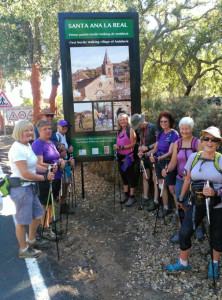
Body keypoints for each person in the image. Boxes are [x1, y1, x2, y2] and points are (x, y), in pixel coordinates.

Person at [166, 126, 222, 280]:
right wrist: (181, 197)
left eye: (214, 139)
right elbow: (188, 179)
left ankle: (214, 264)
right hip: (196, 202)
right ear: (202, 140)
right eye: (206, 138)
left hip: (217, 205)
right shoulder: (194, 157)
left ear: (218, 143)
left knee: (217, 235)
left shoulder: (221, 160)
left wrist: (216, 192)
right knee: (184, 232)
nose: (209, 142)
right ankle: (183, 262)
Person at [8, 120, 55, 258]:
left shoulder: (27, 145)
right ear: (18, 132)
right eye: (26, 130)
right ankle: (23, 250)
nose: (29, 132)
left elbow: (33, 166)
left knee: (37, 213)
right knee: (23, 221)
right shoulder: (17, 149)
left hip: (30, 187)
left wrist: (49, 168)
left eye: (30, 129)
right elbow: (25, 173)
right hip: (21, 188)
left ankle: (32, 240)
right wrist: (44, 178)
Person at [162, 117, 203, 243]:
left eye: (187, 128)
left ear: (192, 129)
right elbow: (174, 161)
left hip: (195, 180)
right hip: (180, 179)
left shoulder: (198, 142)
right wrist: (167, 170)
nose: (184, 131)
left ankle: (198, 227)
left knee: (196, 204)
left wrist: (192, 174)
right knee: (181, 205)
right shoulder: (177, 143)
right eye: (182, 129)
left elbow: (202, 161)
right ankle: (183, 230)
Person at [32, 119, 66, 241]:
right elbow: (39, 163)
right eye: (44, 129)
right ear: (39, 130)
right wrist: (56, 164)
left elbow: (56, 158)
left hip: (55, 177)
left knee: (51, 203)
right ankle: (45, 229)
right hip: (44, 178)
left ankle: (50, 226)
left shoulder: (51, 142)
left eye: (49, 128)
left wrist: (62, 161)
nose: (48, 131)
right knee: (45, 204)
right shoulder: (37, 144)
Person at [149, 111, 179, 216]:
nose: (163, 123)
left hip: (168, 163)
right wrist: (145, 154)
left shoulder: (174, 134)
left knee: (171, 188)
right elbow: (155, 148)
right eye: (161, 121)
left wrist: (158, 158)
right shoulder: (160, 133)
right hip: (158, 162)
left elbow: (171, 152)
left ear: (170, 122)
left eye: (166, 121)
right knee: (162, 185)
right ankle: (166, 207)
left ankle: (178, 211)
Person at [130, 113, 159, 208]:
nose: (138, 127)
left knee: (155, 178)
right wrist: (140, 149)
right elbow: (140, 142)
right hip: (144, 157)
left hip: (154, 156)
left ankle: (155, 201)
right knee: (145, 177)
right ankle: (145, 197)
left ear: (142, 121)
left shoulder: (153, 127)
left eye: (139, 125)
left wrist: (148, 147)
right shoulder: (140, 130)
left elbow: (159, 142)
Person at [113, 113, 137, 207]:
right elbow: (117, 143)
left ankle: (132, 196)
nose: (122, 121)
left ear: (127, 120)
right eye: (120, 120)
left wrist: (120, 147)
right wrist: (116, 147)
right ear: (119, 122)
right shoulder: (119, 132)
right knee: (124, 176)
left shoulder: (130, 130)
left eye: (124, 119)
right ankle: (126, 194)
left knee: (130, 176)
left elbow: (133, 144)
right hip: (120, 157)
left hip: (128, 158)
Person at [56, 120, 75, 215]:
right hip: (62, 163)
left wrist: (69, 149)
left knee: (66, 182)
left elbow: (66, 148)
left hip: (66, 162)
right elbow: (56, 149)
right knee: (65, 183)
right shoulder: (57, 136)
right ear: (58, 127)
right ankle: (62, 205)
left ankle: (63, 203)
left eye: (66, 127)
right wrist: (62, 150)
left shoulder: (64, 136)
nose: (65, 128)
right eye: (62, 126)